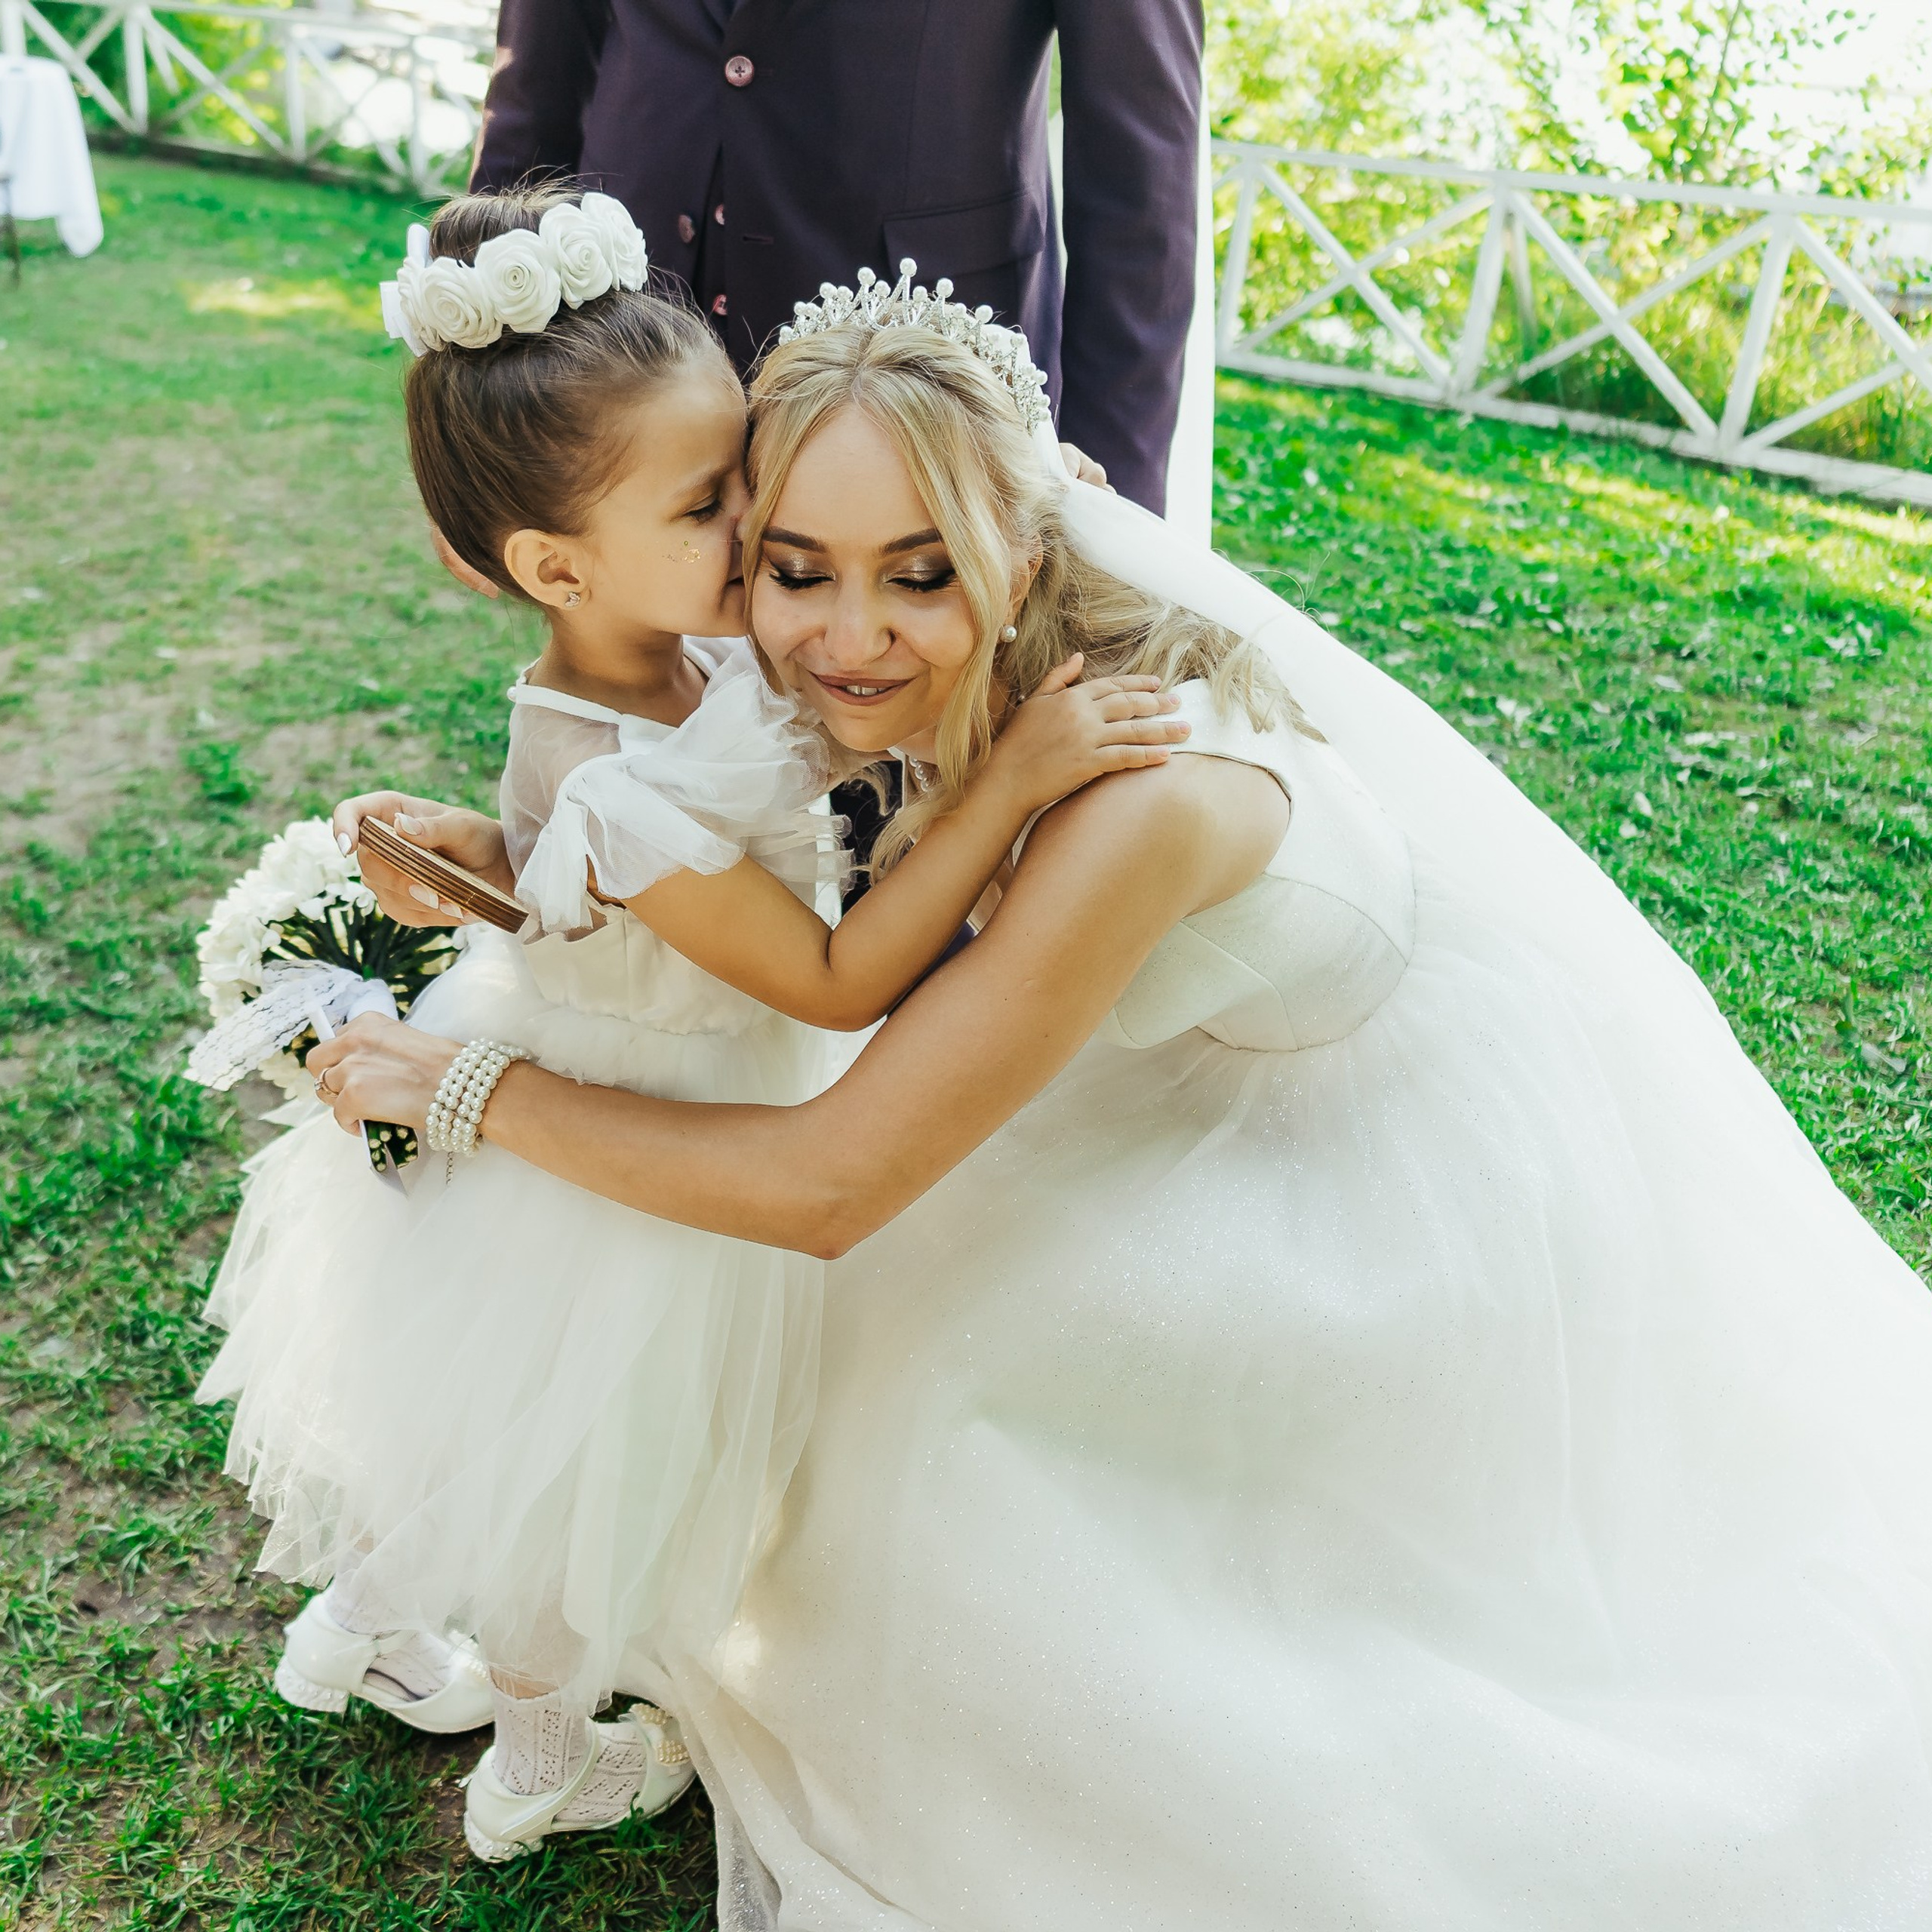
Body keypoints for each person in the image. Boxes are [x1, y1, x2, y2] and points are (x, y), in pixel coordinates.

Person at [319, 276, 1932, 1928]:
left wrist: (470, 1087)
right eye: (784, 562)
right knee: (853, 1375)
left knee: (936, 1443)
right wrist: (532, 860)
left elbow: (824, 1177)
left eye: (917, 573)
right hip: (1134, 1058)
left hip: (1364, 1166)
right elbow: (725, 820)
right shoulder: (969, 596)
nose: (836, 636)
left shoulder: (1138, 794)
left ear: (1009, 545)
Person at [196, 191, 1186, 1866]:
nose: (759, 522)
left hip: (607, 1050)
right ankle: (531, 1758)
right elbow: (831, 976)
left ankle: (349, 1630)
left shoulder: (669, 657)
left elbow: (603, 854)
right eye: (711, 500)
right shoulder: (621, 778)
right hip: (625, 1147)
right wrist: (1018, 775)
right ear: (556, 568)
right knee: (562, 1482)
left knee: (485, 1440)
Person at [469, 0, 1203, 519]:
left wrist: (1116, 518)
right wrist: (477, 410)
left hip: (921, 392)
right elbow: (532, 96)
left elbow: (1142, 185)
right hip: (620, 359)